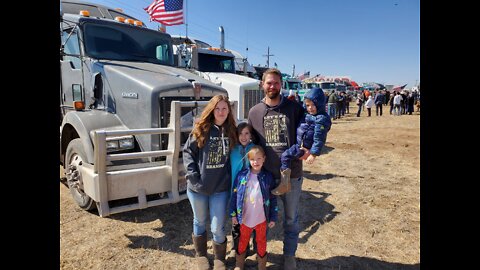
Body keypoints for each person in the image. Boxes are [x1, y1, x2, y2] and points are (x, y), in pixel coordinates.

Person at [247, 68, 305, 269]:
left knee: (291, 218)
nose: (272, 86)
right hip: (264, 176)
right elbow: (251, 143)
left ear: (281, 84)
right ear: (262, 84)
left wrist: (308, 148)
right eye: (269, 83)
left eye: (276, 83)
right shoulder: (254, 112)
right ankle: (259, 249)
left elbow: (307, 131)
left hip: (292, 174)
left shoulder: (294, 108)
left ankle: (289, 255)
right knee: (259, 216)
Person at [183, 94, 238, 270]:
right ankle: (201, 255)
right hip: (198, 187)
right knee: (199, 221)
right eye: (217, 108)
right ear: (212, 110)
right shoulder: (202, 128)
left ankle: (219, 258)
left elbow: (236, 155)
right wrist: (193, 177)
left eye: (224, 108)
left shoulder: (231, 131)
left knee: (218, 226)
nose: (221, 112)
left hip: (220, 188)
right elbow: (188, 153)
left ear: (229, 111)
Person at [272, 87, 332, 195]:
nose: (310, 108)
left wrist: (313, 154)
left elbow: (319, 138)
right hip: (299, 144)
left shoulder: (320, 119)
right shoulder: (307, 115)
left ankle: (285, 183)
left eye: (313, 105)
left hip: (304, 147)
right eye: (308, 105)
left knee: (285, 156)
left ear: (320, 104)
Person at [229, 145, 278, 270]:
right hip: (245, 219)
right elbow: (235, 196)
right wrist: (233, 214)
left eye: (259, 158)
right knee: (242, 241)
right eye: (252, 159)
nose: (256, 162)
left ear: (264, 159)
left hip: (261, 219)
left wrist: (273, 217)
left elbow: (273, 199)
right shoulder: (241, 176)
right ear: (249, 160)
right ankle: (239, 264)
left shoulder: (268, 177)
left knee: (261, 242)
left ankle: (262, 266)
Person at [227, 122, 256, 262]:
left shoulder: (255, 149)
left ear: (251, 135)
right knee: (236, 221)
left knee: (249, 220)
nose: (243, 137)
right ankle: (235, 247)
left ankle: (247, 247)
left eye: (247, 133)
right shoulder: (232, 150)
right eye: (240, 133)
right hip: (236, 191)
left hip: (251, 192)